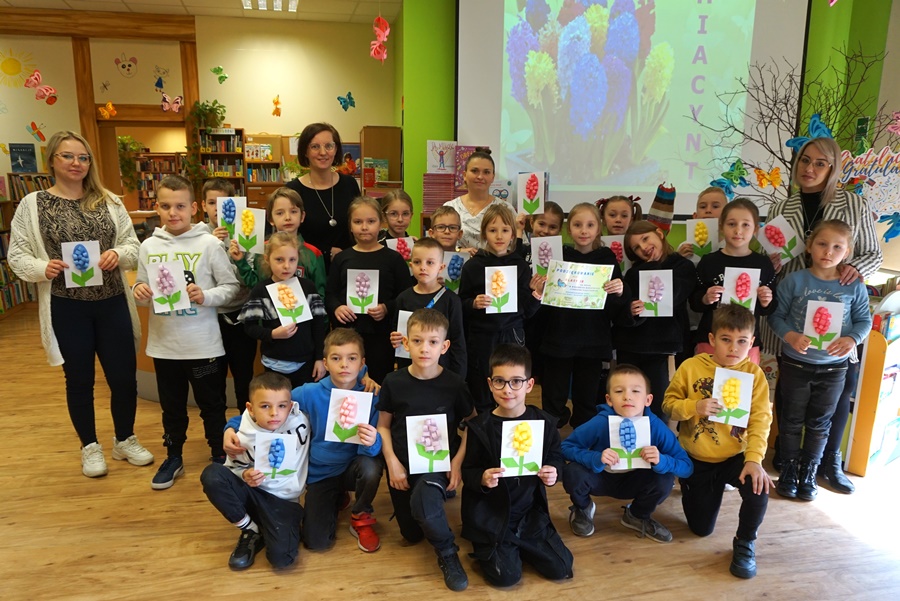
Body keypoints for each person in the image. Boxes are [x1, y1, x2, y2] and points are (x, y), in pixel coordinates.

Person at [8, 130, 153, 477]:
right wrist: (44, 268)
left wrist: (117, 254)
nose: (77, 163)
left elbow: (134, 247)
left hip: (112, 303)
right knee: (79, 380)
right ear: (52, 161)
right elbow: (17, 254)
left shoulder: (109, 201)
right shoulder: (33, 204)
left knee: (122, 377)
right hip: (66, 305)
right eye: (68, 156)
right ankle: (90, 446)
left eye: (83, 157)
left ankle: (125, 438)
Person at [762, 137, 882, 493]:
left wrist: (852, 269)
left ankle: (829, 461)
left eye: (819, 163)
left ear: (832, 169)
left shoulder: (854, 204)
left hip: (840, 320)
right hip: (793, 321)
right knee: (790, 394)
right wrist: (767, 264)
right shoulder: (780, 209)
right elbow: (772, 263)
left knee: (837, 396)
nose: (809, 169)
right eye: (804, 160)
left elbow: (873, 255)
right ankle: (789, 460)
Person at [225, 328, 383, 553]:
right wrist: (230, 426)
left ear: (362, 363)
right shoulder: (309, 393)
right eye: (336, 358)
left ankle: (361, 513)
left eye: (352, 359)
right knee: (317, 542)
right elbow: (271, 405)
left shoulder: (371, 395)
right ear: (326, 363)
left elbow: (376, 448)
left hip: (354, 467)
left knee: (371, 467)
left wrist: (373, 442)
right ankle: (338, 498)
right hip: (321, 474)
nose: (344, 365)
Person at [133, 174, 240, 489]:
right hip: (165, 347)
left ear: (194, 207)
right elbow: (140, 283)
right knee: (172, 408)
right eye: (165, 206)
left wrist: (205, 296)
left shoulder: (208, 243)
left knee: (212, 406)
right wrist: (139, 290)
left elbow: (231, 287)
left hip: (203, 344)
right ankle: (174, 454)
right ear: (157, 207)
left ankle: (220, 455)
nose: (172, 212)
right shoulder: (149, 245)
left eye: (180, 205)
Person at [663, 304, 773, 579]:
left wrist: (754, 460)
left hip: (734, 457)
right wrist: (694, 407)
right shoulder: (691, 367)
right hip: (696, 458)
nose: (733, 348)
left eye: (742, 342)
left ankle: (745, 542)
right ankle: (697, 489)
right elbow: (668, 405)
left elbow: (761, 420)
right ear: (712, 340)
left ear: (751, 343)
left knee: (759, 485)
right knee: (700, 529)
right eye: (726, 340)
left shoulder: (754, 375)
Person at [767, 220, 871, 501]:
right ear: (810, 246)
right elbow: (776, 316)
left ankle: (808, 473)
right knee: (790, 421)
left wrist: (851, 340)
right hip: (796, 364)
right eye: (822, 244)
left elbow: (864, 320)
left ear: (847, 252)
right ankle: (788, 470)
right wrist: (790, 336)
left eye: (837, 247)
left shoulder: (854, 286)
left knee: (819, 424)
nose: (829, 251)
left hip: (834, 368)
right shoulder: (794, 281)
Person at [377, 309, 475, 591]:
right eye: (417, 341)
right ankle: (430, 501)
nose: (424, 348)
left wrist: (456, 462)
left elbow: (472, 425)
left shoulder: (455, 383)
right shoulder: (393, 382)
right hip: (403, 464)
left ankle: (447, 553)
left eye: (433, 342)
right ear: (405, 344)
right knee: (411, 533)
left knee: (424, 505)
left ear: (444, 347)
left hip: (438, 463)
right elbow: (383, 427)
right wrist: (392, 463)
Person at [461, 344, 573, 587]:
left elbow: (554, 456)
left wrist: (553, 471)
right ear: (490, 384)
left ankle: (519, 545)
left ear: (529, 385)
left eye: (516, 382)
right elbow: (467, 471)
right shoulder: (480, 427)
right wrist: (482, 478)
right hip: (491, 514)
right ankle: (501, 547)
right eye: (499, 381)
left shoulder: (544, 422)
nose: (507, 389)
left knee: (561, 567)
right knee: (506, 577)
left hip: (528, 513)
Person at [562, 364, 693, 542]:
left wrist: (662, 461)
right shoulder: (600, 423)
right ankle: (583, 507)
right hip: (601, 478)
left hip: (637, 480)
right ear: (609, 399)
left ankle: (637, 515)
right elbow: (566, 447)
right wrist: (594, 457)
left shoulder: (656, 428)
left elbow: (686, 467)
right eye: (619, 391)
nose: (627, 396)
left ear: (648, 400)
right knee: (573, 472)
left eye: (635, 391)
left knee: (665, 479)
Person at [533, 203, 630, 428]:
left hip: (592, 340)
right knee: (553, 395)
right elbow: (544, 295)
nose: (583, 230)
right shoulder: (560, 255)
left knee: (586, 398)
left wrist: (619, 290)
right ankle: (551, 441)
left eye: (590, 225)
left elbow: (615, 302)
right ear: (569, 229)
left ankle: (582, 442)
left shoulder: (606, 258)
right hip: (559, 337)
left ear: (599, 228)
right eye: (577, 225)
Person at [200, 373, 310, 570]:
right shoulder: (240, 435)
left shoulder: (299, 418)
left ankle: (269, 528)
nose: (274, 413)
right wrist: (245, 474)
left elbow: (334, 388)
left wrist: (365, 376)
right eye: (265, 406)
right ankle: (249, 529)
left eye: (282, 406)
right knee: (212, 475)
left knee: (282, 559)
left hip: (285, 503)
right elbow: (232, 469)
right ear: (250, 408)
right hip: (253, 495)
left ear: (291, 405)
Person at [459, 203, 540, 413]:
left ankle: (509, 425)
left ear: (513, 234)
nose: (499, 236)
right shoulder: (473, 266)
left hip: (512, 335)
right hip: (482, 337)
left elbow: (527, 311)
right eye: (493, 230)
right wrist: (473, 303)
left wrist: (536, 295)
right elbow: (461, 302)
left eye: (505, 230)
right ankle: (486, 428)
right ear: (484, 233)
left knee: (511, 383)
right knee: (483, 384)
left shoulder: (520, 266)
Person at [325, 196, 413, 382]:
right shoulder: (342, 259)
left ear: (381, 223)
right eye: (358, 222)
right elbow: (330, 293)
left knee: (379, 381)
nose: (364, 227)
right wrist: (337, 307)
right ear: (350, 225)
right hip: (348, 333)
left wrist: (387, 308)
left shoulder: (393, 259)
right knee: (348, 381)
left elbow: (406, 296)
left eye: (371, 221)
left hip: (381, 336)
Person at [618, 220, 696, 419]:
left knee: (659, 403)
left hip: (663, 347)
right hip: (633, 345)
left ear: (659, 234)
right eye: (636, 247)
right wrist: (632, 311)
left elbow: (676, 295)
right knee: (629, 401)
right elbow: (625, 310)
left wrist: (652, 266)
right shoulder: (633, 273)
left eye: (645, 239)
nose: (643, 247)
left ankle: (657, 445)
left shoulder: (682, 266)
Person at [689, 198, 776, 363]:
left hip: (747, 344)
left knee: (742, 387)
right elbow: (694, 302)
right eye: (731, 224)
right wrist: (705, 298)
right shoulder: (709, 262)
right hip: (711, 340)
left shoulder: (763, 264)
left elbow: (770, 308)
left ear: (756, 230)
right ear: (721, 227)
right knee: (705, 386)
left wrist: (766, 301)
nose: (738, 230)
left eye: (745, 225)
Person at [238, 232, 327, 389]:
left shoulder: (308, 287)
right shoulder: (261, 290)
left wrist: (320, 358)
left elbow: (319, 325)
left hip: (306, 362)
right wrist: (272, 334)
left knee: (302, 406)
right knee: (278, 406)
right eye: (279, 260)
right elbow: (250, 327)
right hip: (274, 363)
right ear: (267, 259)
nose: (287, 266)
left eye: (292, 260)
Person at [199, 177, 256, 410]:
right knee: (214, 381)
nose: (217, 209)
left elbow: (251, 280)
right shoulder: (198, 236)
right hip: (210, 318)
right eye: (212, 203)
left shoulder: (246, 234)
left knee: (244, 378)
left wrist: (239, 255)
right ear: (202, 206)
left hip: (242, 315)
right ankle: (219, 436)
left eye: (224, 204)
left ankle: (247, 431)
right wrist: (209, 246)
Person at [285, 122, 361, 269]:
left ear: (336, 149)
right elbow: (287, 235)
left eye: (329, 146)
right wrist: (326, 252)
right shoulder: (293, 191)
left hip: (349, 268)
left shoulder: (349, 184)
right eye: (315, 147)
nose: (323, 152)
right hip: (308, 269)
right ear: (305, 152)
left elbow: (360, 222)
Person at [390, 237, 467, 377]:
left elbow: (457, 342)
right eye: (418, 262)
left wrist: (458, 377)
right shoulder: (403, 298)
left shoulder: (451, 300)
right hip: (410, 371)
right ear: (411, 265)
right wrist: (395, 339)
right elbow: (398, 334)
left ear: (441, 267)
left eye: (430, 262)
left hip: (442, 372)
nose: (423, 267)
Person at [230, 187, 326, 297]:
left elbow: (320, 293)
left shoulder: (314, 253)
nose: (288, 217)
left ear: (302, 216)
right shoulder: (263, 250)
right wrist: (241, 262)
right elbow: (256, 284)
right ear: (270, 219)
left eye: (293, 211)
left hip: (303, 311)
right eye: (280, 213)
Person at [442, 148, 514, 254]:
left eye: (486, 172)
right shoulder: (450, 208)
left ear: (493, 177)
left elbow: (518, 246)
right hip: (457, 267)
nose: (480, 176)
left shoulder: (505, 208)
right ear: (465, 175)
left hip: (495, 269)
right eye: (475, 171)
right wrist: (459, 251)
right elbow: (437, 245)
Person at [676, 186, 728, 259]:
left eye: (715, 206)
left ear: (726, 215)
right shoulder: (685, 247)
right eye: (703, 207)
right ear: (695, 216)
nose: (708, 210)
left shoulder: (729, 247)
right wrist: (678, 258)